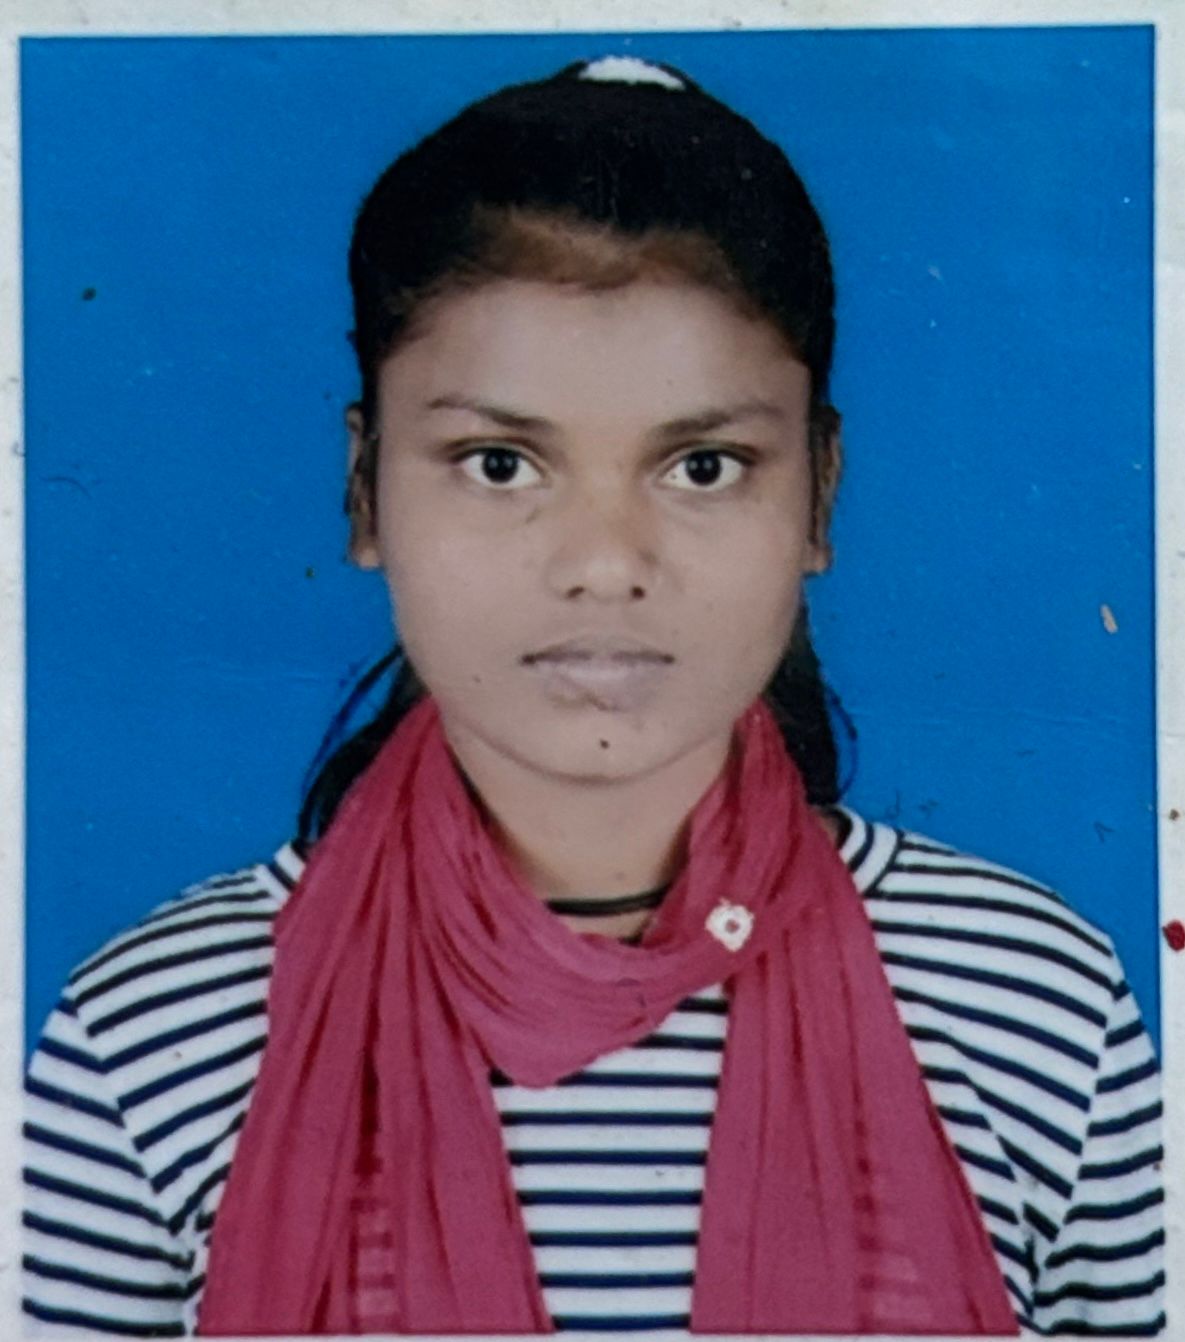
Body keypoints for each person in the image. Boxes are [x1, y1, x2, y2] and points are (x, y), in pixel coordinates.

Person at [22, 55, 1164, 1338]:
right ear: (364, 489)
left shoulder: (1031, 1000)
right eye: (499, 462)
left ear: (819, 494)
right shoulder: (158, 1030)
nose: (606, 563)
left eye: (704, 465)